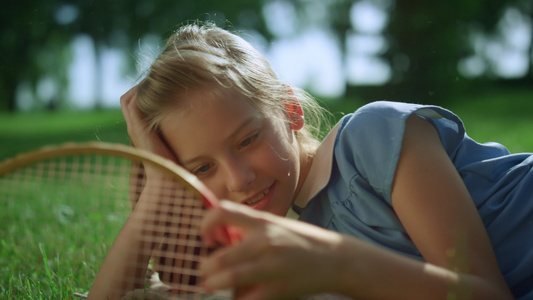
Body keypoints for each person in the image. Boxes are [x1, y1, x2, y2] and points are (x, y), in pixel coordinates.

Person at [88, 22, 533, 300]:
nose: (239, 180)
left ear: (290, 110)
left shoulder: (370, 140)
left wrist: (337, 264)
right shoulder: (275, 249)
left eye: (247, 140)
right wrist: (160, 185)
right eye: (202, 169)